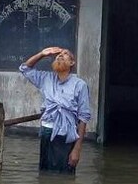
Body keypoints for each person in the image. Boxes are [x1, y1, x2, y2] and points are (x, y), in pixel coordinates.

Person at [19, 46, 91, 174]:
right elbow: (25, 68)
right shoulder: (46, 78)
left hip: (66, 136)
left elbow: (83, 118)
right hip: (47, 133)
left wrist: (77, 150)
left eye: (65, 54)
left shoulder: (80, 85)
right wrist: (42, 54)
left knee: (63, 176)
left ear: (72, 63)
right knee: (44, 174)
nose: (60, 55)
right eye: (58, 55)